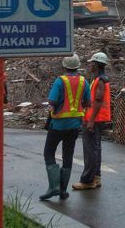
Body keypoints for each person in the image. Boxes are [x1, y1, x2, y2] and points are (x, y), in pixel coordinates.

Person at [40, 54, 90, 200]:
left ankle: (54, 187)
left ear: (64, 66)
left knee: (48, 153)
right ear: (77, 66)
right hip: (74, 126)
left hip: (58, 125)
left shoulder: (60, 80)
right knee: (67, 156)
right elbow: (88, 102)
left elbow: (52, 101)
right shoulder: (83, 81)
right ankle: (62, 191)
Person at [72, 52, 111, 190]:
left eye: (90, 63)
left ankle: (87, 180)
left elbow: (99, 101)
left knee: (90, 150)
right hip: (97, 119)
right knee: (95, 149)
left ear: (95, 65)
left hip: (94, 120)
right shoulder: (98, 79)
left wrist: (91, 121)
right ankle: (96, 178)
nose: (89, 65)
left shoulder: (100, 80)